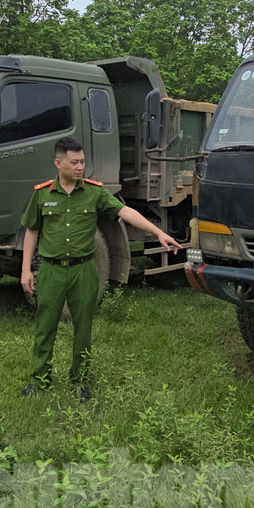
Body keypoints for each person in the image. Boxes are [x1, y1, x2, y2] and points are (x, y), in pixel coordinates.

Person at [20, 137, 181, 400]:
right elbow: (32, 231)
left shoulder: (95, 192)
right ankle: (39, 380)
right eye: (74, 162)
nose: (80, 167)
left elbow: (126, 212)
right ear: (58, 163)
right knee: (44, 327)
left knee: (83, 327)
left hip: (84, 270)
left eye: (82, 161)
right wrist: (26, 269)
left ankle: (79, 381)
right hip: (50, 270)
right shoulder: (42, 194)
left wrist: (157, 232)